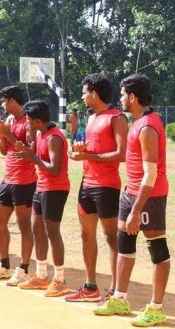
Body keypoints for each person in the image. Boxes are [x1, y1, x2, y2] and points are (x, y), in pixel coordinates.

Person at [93, 74, 170, 327]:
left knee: (157, 249)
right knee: (124, 243)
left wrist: (137, 210)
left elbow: (151, 173)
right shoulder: (135, 122)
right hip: (131, 192)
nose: (121, 99)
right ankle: (120, 298)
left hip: (149, 196)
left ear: (133, 97)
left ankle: (156, 307)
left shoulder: (148, 126)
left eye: (124, 94)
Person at [66, 73, 127, 302]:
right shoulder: (90, 118)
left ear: (94, 93)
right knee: (85, 234)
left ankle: (114, 290)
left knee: (111, 237)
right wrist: (77, 152)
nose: (82, 97)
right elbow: (86, 149)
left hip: (106, 186)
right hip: (87, 184)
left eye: (84, 92)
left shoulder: (117, 118)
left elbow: (121, 154)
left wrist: (89, 155)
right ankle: (90, 287)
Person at [14, 100, 70, 297]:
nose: (26, 123)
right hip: (41, 187)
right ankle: (41, 275)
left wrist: (33, 158)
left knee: (52, 233)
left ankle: (60, 279)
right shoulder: (40, 134)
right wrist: (27, 154)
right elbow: (35, 156)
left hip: (55, 189)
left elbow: (55, 169)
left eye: (29, 120)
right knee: (37, 229)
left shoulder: (54, 137)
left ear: (38, 121)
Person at [0, 86, 36, 284]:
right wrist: (1, 134)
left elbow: (29, 151)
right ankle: (5, 265)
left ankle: (24, 269)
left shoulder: (28, 122)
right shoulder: (8, 121)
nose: (2, 105)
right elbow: (3, 151)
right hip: (8, 179)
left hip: (24, 181)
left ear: (11, 101)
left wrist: (7, 133)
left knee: (24, 226)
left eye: (3, 101)